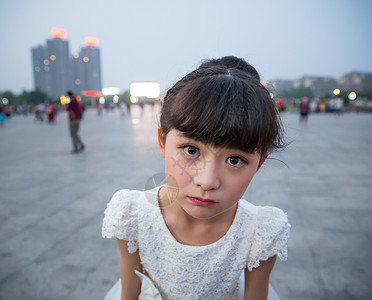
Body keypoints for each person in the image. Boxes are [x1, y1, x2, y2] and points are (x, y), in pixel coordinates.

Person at [102, 59, 291, 300]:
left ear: (259, 164)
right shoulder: (133, 216)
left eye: (234, 160)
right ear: (162, 141)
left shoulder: (260, 232)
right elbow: (130, 293)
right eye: (191, 150)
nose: (207, 181)